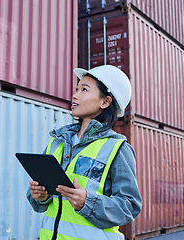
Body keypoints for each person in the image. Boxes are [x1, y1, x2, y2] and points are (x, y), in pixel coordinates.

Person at [27, 65, 142, 240]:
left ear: (105, 102)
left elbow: (129, 206)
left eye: (84, 90)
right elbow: (41, 204)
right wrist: (40, 196)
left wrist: (88, 203)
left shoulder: (117, 148)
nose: (75, 95)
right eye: (76, 89)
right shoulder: (57, 142)